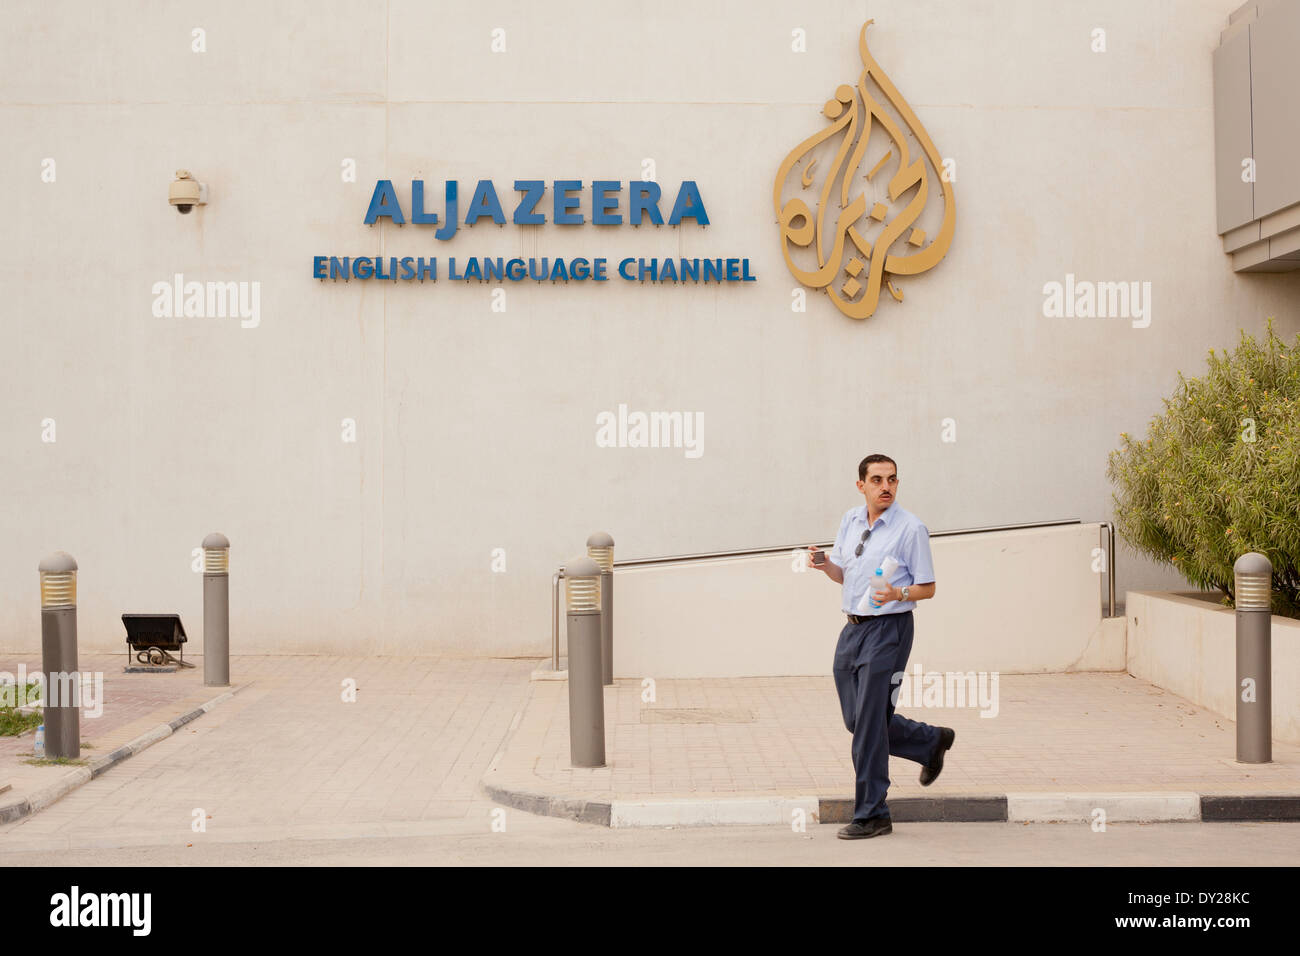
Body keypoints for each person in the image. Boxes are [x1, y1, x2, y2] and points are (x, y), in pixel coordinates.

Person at [806, 454, 955, 839]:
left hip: (889, 629)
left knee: (870, 724)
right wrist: (825, 565)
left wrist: (898, 593)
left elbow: (928, 587)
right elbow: (846, 574)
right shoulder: (850, 520)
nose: (885, 486)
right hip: (852, 629)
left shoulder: (911, 529)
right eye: (877, 480)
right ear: (862, 485)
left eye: (891, 479)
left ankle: (873, 813)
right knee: (857, 720)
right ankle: (930, 741)